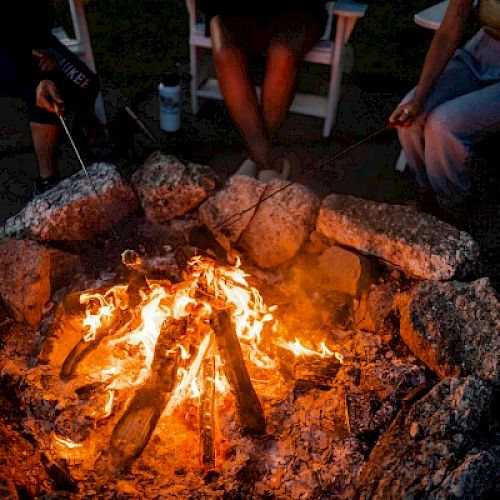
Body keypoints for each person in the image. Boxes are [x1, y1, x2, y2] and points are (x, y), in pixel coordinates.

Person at [389, 0, 500, 222]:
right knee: (411, 116)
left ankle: (452, 208)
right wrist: (419, 99)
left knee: (443, 124)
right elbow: (448, 31)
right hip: (481, 53)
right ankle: (427, 195)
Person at [197, 1, 328, 181]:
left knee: (283, 52)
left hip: (296, 11)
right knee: (226, 53)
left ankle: (256, 160)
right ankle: (266, 164)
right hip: (232, 11)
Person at [0, 0, 102, 195]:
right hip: (6, 53)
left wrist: (43, 54)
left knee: (87, 82)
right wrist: (37, 75)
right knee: (46, 102)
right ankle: (48, 183)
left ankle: (86, 124)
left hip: (35, 39)